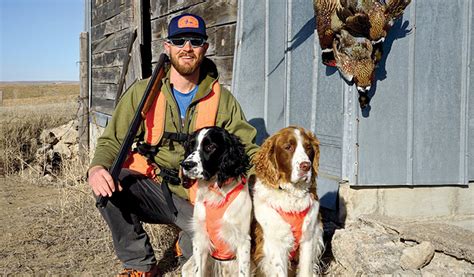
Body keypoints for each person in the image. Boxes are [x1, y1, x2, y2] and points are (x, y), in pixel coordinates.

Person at [87, 13, 258, 276]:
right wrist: (97, 168)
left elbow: (246, 149)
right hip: (154, 188)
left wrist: (273, 180)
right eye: (179, 41)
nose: (187, 48)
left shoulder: (223, 100)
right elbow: (112, 140)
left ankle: (184, 243)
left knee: (204, 259)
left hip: (201, 197)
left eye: (195, 40)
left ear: (205, 47)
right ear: (167, 47)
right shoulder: (143, 92)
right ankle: (140, 265)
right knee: (109, 183)